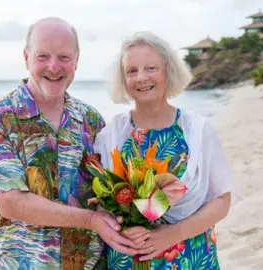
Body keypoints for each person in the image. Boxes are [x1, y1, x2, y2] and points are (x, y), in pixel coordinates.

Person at [0, 17, 138, 270]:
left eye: (63, 57)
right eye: (43, 56)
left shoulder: (91, 120)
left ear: (76, 61)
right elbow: (11, 203)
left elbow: (111, 191)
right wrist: (91, 220)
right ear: (27, 58)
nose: (53, 66)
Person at [93, 31, 234, 269]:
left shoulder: (198, 130)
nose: (141, 78)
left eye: (151, 68)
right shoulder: (110, 135)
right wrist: (120, 226)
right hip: (129, 256)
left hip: (190, 255)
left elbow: (221, 200)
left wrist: (172, 234)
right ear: (123, 80)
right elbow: (101, 202)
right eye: (131, 71)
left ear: (168, 72)